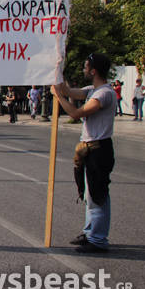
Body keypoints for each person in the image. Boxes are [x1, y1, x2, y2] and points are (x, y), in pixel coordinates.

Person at [52, 53, 116, 253]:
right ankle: (90, 232)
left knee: (98, 195)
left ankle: (98, 239)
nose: (83, 69)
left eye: (86, 66)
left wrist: (58, 96)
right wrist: (57, 70)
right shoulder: (93, 90)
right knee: (89, 193)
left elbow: (75, 113)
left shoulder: (104, 93)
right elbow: (70, 90)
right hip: (89, 149)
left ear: (94, 70)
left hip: (99, 149)